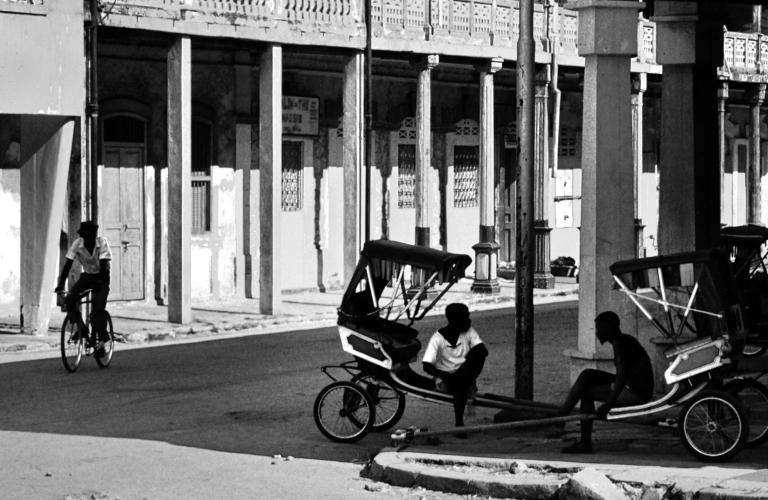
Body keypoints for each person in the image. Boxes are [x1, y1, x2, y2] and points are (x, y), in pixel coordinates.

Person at [557, 311, 654, 454]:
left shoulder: (619, 343)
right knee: (587, 374)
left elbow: (622, 375)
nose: (596, 333)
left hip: (636, 392)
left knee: (587, 394)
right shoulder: (625, 339)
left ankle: (582, 442)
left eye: (599, 328)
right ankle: (562, 414)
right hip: (635, 386)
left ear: (608, 328)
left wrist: (609, 403)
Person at [422, 303, 488, 435]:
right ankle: (459, 423)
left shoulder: (469, 332)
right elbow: (426, 366)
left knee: (477, 355)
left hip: (464, 377)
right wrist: (441, 374)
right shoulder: (438, 338)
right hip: (447, 381)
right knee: (461, 386)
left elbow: (483, 351)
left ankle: (459, 423)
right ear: (454, 320)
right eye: (465, 317)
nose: (469, 320)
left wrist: (471, 354)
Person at [55, 221, 112, 358]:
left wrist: (100, 283)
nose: (88, 239)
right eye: (85, 236)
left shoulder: (102, 242)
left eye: (91, 235)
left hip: (102, 276)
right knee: (70, 299)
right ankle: (82, 329)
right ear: (82, 236)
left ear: (95, 235)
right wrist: (61, 284)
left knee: (98, 310)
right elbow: (67, 265)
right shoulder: (77, 244)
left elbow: (103, 265)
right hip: (86, 277)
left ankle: (101, 343)